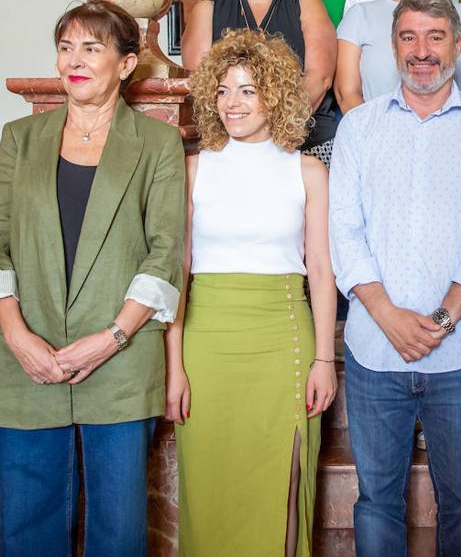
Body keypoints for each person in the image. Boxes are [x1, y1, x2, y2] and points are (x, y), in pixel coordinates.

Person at [0, 0, 186, 557]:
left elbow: (164, 255)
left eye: (93, 48)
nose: (75, 60)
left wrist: (111, 338)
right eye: (66, 47)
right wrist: (17, 336)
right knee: (27, 526)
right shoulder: (20, 138)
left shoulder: (157, 144)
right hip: (28, 360)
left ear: (126, 63)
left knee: (117, 531)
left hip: (120, 359)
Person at [330, 0, 461, 557]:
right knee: (376, 503)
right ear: (392, 48)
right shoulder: (359, 127)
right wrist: (388, 316)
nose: (422, 50)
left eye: (436, 37)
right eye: (408, 37)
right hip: (373, 351)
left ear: (458, 46)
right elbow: (345, 231)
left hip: (460, 354)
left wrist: (439, 319)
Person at [167, 29, 337, 556]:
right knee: (210, 485)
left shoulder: (307, 170)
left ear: (276, 95)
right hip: (206, 342)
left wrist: (325, 358)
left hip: (282, 337)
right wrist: (173, 366)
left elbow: (323, 270)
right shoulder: (193, 169)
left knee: (279, 489)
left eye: (247, 89)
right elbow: (180, 271)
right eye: (222, 91)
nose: (232, 103)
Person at [181, 0, 338, 158]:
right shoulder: (207, 10)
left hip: (305, 145)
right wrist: (246, 135)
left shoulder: (308, 5)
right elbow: (202, 89)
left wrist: (270, 133)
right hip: (230, 146)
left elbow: (319, 79)